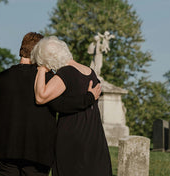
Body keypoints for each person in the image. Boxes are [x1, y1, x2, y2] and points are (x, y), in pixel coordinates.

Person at [0, 32, 102, 176]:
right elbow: (61, 105)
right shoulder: (47, 78)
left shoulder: (2, 77)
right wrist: (88, 98)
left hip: (3, 149)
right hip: (37, 152)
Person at [31, 36, 112, 176]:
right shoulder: (90, 72)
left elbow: (40, 97)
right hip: (94, 138)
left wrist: (41, 70)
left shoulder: (66, 73)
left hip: (73, 138)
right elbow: (64, 103)